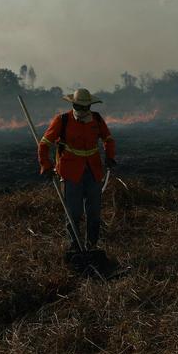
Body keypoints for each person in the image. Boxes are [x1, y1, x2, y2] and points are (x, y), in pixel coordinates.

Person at [38, 88, 117, 250]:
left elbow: (108, 139)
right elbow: (44, 144)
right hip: (70, 172)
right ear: (73, 104)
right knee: (73, 213)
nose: (81, 110)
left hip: (94, 171)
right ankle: (75, 247)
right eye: (78, 106)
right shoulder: (63, 120)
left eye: (85, 107)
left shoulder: (96, 119)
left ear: (90, 106)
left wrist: (110, 157)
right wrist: (46, 166)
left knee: (94, 212)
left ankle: (92, 246)